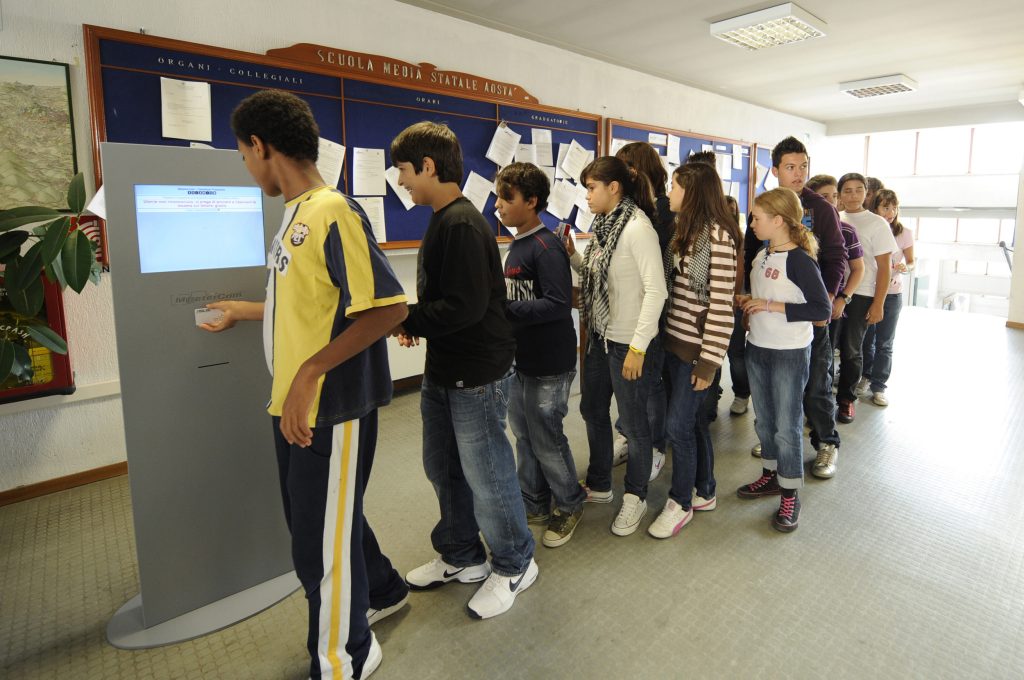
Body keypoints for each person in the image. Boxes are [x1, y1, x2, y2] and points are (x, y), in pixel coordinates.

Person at [202, 89, 409, 679]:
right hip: (295, 404)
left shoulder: (333, 211)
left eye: (244, 154)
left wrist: (310, 373)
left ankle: (345, 658)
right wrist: (247, 311)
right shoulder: (294, 214)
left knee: (316, 547)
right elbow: (309, 303)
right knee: (321, 524)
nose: (245, 165)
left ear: (260, 146)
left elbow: (388, 308)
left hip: (330, 407)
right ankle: (386, 589)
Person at [389, 121, 537, 619]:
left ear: (429, 166)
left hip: (476, 373)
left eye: (405, 171)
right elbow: (446, 304)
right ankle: (462, 555)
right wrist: (417, 320)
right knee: (444, 466)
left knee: (488, 473)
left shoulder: (460, 223)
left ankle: (516, 563)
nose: (402, 181)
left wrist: (406, 317)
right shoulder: (443, 218)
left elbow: (465, 307)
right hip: (445, 369)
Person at [563, 156, 667, 537]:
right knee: (592, 408)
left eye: (591, 188)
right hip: (601, 337)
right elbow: (596, 274)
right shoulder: (604, 224)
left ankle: (635, 496)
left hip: (629, 344)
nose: (587, 196)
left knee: (636, 426)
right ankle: (601, 483)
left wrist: (639, 347)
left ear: (614, 188)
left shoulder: (638, 228)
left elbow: (657, 290)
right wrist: (573, 254)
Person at [495, 162, 586, 548]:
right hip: (523, 360)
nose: (498, 206)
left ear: (532, 201)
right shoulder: (519, 244)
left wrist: (501, 308)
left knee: (546, 436)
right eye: (498, 196)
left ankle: (569, 503)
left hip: (550, 362)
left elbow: (555, 303)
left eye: (507, 198)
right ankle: (534, 501)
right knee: (524, 434)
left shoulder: (546, 247)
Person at [648, 162, 740, 539]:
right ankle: (705, 490)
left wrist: (709, 363)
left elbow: (721, 306)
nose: (668, 192)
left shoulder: (718, 237)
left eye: (674, 186)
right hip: (673, 339)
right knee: (693, 423)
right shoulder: (685, 231)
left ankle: (680, 502)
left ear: (694, 192)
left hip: (696, 352)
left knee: (677, 427)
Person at [744, 137, 845, 469]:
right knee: (775, 396)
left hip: (810, 315)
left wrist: (828, 300)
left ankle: (826, 442)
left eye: (804, 166)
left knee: (817, 384)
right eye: (790, 167)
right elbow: (752, 259)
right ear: (775, 170)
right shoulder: (763, 209)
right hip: (769, 326)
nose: (799, 173)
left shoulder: (821, 208)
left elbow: (836, 258)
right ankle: (776, 446)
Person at [736, 188, 830, 532]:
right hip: (758, 346)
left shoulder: (801, 260)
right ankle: (771, 476)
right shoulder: (762, 253)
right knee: (765, 422)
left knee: (788, 427)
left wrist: (769, 306)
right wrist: (749, 300)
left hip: (789, 352)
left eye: (757, 218)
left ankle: (790, 490)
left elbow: (821, 310)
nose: (752, 223)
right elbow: (767, 294)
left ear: (778, 221)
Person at [611, 142, 672, 479]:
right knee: (630, 384)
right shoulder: (626, 208)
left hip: (654, 307)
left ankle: (654, 447)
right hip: (625, 311)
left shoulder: (659, 209)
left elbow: (655, 271)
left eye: (624, 167)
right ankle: (631, 437)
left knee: (650, 383)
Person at [806, 174, 865, 476]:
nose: (830, 202)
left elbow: (856, 268)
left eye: (833, 197)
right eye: (823, 197)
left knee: (820, 377)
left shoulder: (845, 230)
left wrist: (840, 297)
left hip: (825, 313)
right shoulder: (793, 227)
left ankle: (826, 441)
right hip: (791, 316)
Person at [835, 173, 898, 423]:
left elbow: (885, 267)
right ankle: (823, 399)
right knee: (828, 350)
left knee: (852, 349)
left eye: (858, 190)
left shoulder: (877, 223)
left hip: (861, 295)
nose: (852, 195)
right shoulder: (834, 217)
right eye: (847, 190)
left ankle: (846, 399)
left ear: (866, 193)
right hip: (834, 290)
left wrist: (879, 303)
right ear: (839, 194)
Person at [860, 189, 915, 406]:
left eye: (894, 207)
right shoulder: (869, 228)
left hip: (892, 294)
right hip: (867, 291)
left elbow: (911, 262)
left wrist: (906, 266)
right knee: (866, 339)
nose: (891, 212)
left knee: (885, 342)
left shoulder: (904, 233)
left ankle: (879, 386)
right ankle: (865, 376)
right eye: (885, 207)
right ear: (875, 208)